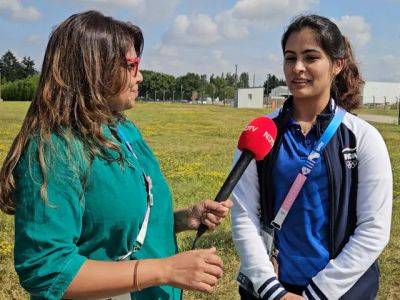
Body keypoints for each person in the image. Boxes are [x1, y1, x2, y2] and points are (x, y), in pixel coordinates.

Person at [0, 10, 232, 300]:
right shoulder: (55, 148)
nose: (141, 76)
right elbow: (48, 269)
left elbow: (112, 225)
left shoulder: (121, 127)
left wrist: (183, 219)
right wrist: (164, 270)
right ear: (94, 68)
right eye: (131, 65)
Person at [231, 14, 392, 300]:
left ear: (337, 65)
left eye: (311, 57)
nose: (298, 68)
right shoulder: (261, 133)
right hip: (274, 288)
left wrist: (318, 294)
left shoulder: (363, 137)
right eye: (290, 58)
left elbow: (374, 229)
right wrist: (273, 291)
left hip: (341, 291)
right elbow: (243, 215)